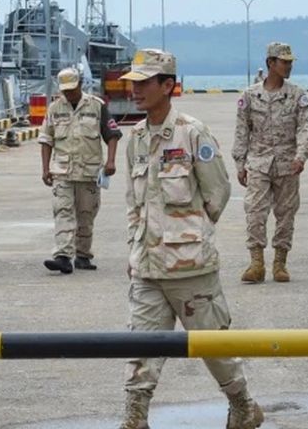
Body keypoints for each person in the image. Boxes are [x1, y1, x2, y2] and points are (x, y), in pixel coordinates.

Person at [118, 48, 263, 429]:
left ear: (168, 86)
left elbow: (218, 192)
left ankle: (243, 405)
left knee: (214, 346)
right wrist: (137, 245)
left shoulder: (191, 132)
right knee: (141, 348)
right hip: (148, 269)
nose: (135, 89)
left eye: (144, 82)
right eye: (133, 83)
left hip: (190, 269)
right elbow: (135, 203)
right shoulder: (134, 137)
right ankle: (135, 417)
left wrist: (188, 235)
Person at [233, 41, 308, 283]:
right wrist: (240, 163)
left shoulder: (297, 95)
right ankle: (256, 262)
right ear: (271, 63)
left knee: (286, 214)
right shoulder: (249, 96)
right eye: (284, 62)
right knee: (255, 212)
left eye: (290, 62)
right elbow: (241, 131)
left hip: (288, 164)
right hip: (258, 163)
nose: (288, 66)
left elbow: (306, 129)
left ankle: (280, 262)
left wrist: (301, 156)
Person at [39, 67, 123, 274]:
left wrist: (111, 161)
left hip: (89, 171)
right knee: (63, 211)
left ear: (80, 84)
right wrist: (45, 168)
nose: (68, 93)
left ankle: (83, 255)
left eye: (72, 88)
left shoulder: (97, 106)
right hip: (62, 171)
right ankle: (63, 256)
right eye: (65, 90)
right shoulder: (55, 108)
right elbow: (46, 139)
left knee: (86, 215)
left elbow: (112, 134)